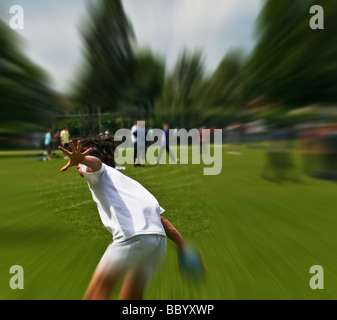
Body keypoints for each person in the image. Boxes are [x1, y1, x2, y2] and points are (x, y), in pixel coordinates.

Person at [58, 136, 186, 300]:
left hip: (133, 237)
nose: (78, 166)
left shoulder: (97, 172)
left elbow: (95, 164)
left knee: (99, 290)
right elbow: (162, 220)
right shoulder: (127, 182)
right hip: (157, 242)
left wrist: (82, 159)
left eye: (81, 161)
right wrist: (183, 247)